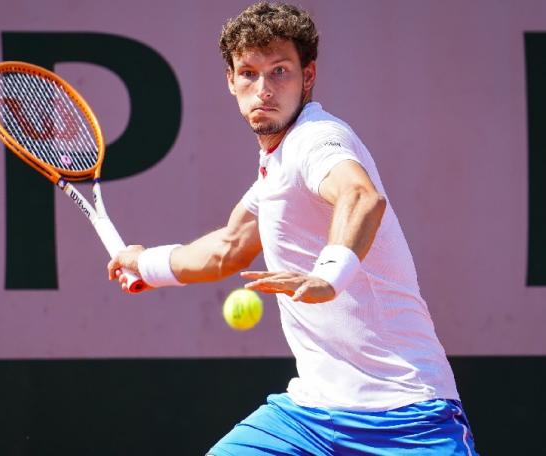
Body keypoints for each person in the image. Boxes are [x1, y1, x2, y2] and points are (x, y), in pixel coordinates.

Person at [108, 2, 477, 455]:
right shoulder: (276, 165)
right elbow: (230, 247)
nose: (263, 89)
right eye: (248, 73)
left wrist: (329, 275)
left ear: (308, 76)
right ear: (231, 81)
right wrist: (145, 263)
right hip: (309, 417)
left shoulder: (317, 139)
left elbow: (360, 196)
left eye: (280, 71)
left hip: (406, 416)